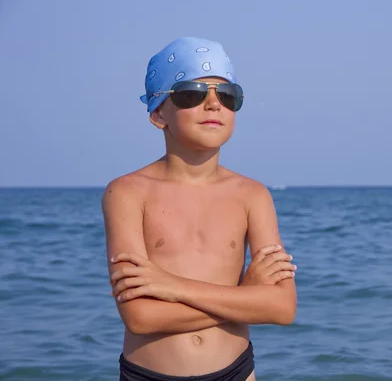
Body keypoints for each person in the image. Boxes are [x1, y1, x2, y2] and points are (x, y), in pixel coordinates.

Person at [101, 37, 297, 381]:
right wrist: (246, 298)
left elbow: (282, 307)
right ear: (158, 112)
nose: (212, 105)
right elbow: (140, 317)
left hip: (237, 372)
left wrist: (171, 286)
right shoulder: (127, 192)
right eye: (191, 94)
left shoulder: (252, 195)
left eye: (227, 95)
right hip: (150, 374)